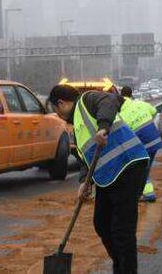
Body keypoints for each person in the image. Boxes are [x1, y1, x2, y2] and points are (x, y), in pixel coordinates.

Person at [48, 84, 149, 274]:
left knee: (122, 230)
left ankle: (125, 270)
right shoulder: (77, 126)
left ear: (61, 103)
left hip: (128, 166)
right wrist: (83, 182)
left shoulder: (87, 99)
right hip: (108, 177)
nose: (58, 115)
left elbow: (110, 100)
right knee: (101, 223)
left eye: (55, 110)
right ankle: (121, 264)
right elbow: (87, 158)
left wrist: (103, 128)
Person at [120, 86, 162, 202]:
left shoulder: (121, 113)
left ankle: (147, 194)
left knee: (141, 169)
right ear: (131, 94)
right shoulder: (141, 104)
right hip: (154, 141)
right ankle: (141, 193)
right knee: (145, 168)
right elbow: (154, 111)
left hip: (141, 144)